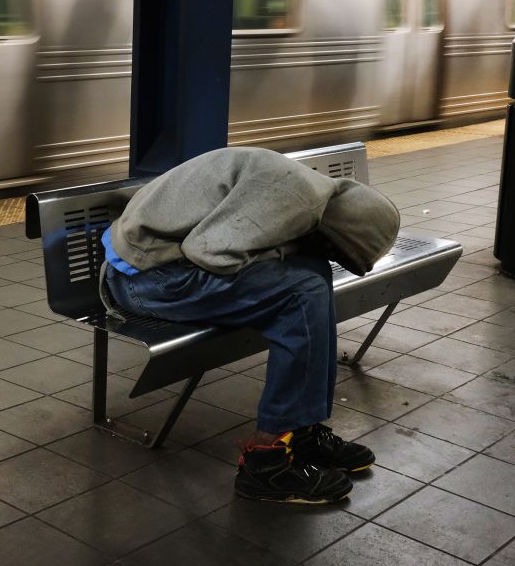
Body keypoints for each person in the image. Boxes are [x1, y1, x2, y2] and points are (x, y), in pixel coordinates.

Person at [99, 146, 400, 504]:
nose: (334, 256)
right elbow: (210, 253)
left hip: (165, 265)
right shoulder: (295, 198)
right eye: (340, 252)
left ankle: (299, 432)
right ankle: (266, 464)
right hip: (144, 279)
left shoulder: (310, 194)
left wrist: (291, 256)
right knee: (301, 292)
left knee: (312, 277)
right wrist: (286, 253)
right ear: (343, 231)